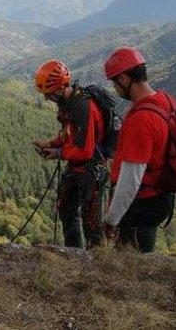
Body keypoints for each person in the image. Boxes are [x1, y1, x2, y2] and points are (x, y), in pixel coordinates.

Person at [101, 47, 176, 253]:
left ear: (125, 79)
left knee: (130, 266)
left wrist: (112, 219)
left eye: (115, 83)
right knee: (143, 257)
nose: (116, 89)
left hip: (141, 204)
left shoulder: (141, 119)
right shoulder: (164, 100)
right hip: (160, 196)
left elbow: (130, 180)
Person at [32, 60, 113, 248]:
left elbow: (85, 150)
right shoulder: (69, 103)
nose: (46, 99)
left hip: (92, 169)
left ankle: (96, 264)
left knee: (91, 223)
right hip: (78, 167)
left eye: (48, 94)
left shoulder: (83, 107)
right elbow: (70, 133)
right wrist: (50, 143)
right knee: (67, 210)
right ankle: (73, 255)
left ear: (59, 89)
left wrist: (58, 153)